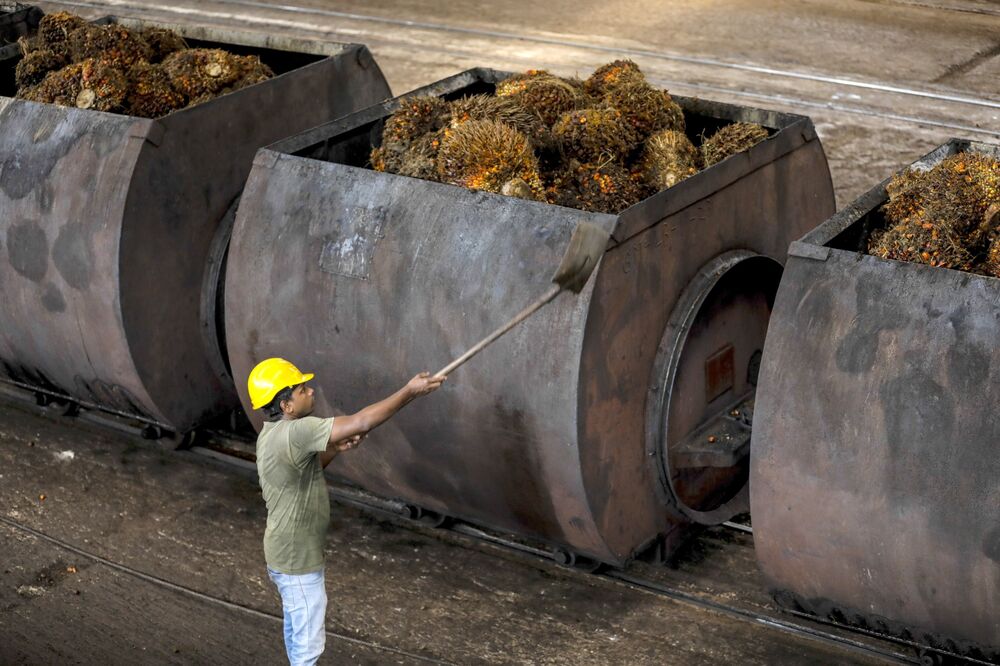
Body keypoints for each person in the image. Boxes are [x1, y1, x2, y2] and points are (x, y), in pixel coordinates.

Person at [246, 357, 445, 666]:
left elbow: (303, 471)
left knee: (298, 628)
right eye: (301, 389)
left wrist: (334, 450)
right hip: (296, 559)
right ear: (285, 405)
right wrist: (409, 391)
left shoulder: (272, 435)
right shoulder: (297, 432)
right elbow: (362, 420)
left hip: (286, 554)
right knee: (307, 645)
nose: (310, 391)